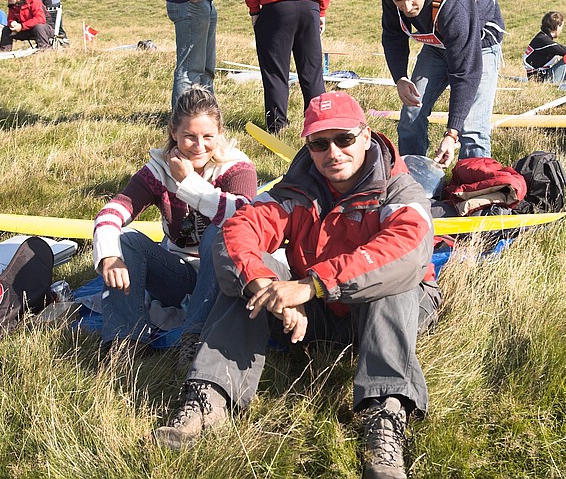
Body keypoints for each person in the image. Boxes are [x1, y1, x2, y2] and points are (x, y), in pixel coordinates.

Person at [153, 91, 442, 479]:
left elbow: (406, 251)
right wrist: (266, 286)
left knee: (393, 282)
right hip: (315, 309)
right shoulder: (297, 188)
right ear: (308, 145)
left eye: (344, 139)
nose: (333, 152)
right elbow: (238, 230)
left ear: (367, 135)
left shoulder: (398, 188)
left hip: (386, 309)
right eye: (320, 143)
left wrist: (311, 286)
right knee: (249, 273)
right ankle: (209, 396)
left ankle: (385, 419)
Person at [92, 86, 257, 363]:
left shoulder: (236, 166)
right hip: (177, 273)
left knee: (223, 230)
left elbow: (245, 216)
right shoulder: (158, 169)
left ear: (220, 133)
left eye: (208, 137)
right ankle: (126, 340)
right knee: (125, 240)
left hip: (221, 275)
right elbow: (113, 210)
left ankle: (194, 337)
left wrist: (188, 183)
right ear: (173, 132)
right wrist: (109, 256)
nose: (199, 146)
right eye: (189, 137)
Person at [381, 0, 505, 167]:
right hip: (437, 44)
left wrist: (452, 134)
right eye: (399, 0)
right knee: (412, 113)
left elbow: (465, 73)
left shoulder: (455, 3)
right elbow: (393, 33)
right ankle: (412, 178)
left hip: (479, 45)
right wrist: (400, 77)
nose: (407, 7)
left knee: (472, 128)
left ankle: (476, 185)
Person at [245, 0, 328, 134]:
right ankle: (319, 125)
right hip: (310, 6)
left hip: (276, 7)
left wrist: (254, 10)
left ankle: (278, 127)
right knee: (313, 75)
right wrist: (322, 9)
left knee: (275, 73)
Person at [166, 0, 217, 113]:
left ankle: (206, 115)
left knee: (206, 71)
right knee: (189, 71)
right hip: (190, 4)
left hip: (202, 3)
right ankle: (183, 119)